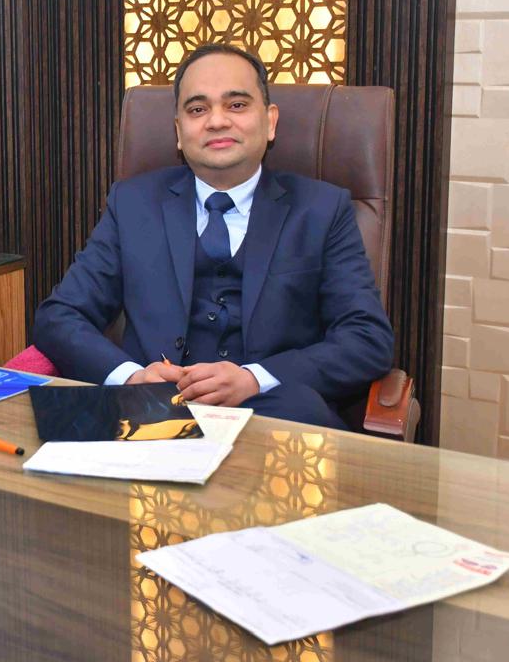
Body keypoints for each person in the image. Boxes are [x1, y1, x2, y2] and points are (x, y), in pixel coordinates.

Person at [33, 43, 394, 430]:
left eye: (236, 105)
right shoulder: (133, 203)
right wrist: (131, 377)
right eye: (197, 109)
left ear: (270, 121)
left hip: (274, 419)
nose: (217, 121)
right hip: (151, 418)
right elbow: (60, 316)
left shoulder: (322, 209)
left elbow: (366, 338)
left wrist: (255, 377)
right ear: (178, 131)